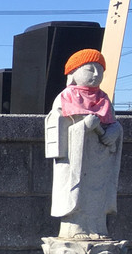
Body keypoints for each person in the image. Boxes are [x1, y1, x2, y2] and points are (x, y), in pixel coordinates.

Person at [44, 48, 122, 240]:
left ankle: (98, 227)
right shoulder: (65, 98)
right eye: (90, 69)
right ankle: (75, 227)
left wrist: (115, 132)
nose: (96, 74)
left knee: (98, 192)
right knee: (77, 192)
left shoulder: (104, 100)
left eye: (100, 70)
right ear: (73, 73)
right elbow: (55, 125)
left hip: (100, 159)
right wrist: (82, 128)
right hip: (75, 161)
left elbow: (114, 123)